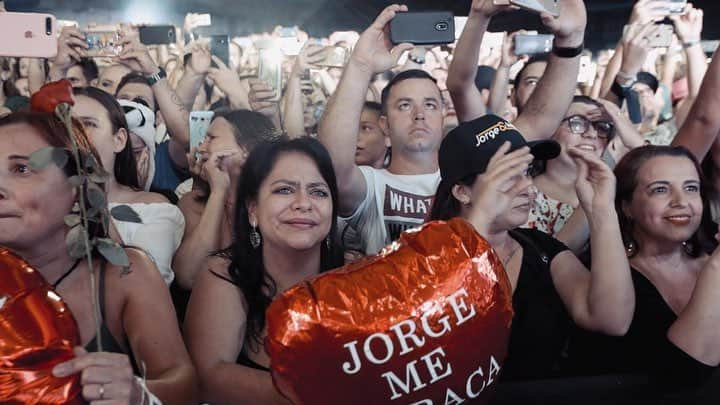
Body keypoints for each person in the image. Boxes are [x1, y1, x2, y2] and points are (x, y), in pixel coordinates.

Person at [319, 2, 586, 256]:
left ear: (444, 113)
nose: (419, 114)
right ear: (384, 125)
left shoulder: (476, 169)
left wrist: (570, 41)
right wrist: (361, 66)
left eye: (431, 104)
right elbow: (332, 166)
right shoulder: (371, 186)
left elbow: (541, 118)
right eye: (404, 105)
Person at [0, 111, 197, 403]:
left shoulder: (124, 275)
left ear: (76, 187)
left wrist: (136, 393)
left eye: (22, 169)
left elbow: (184, 384)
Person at [429, 114, 634, 380]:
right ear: (462, 192)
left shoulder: (541, 249)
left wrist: (601, 210)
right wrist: (479, 224)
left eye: (526, 172)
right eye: (508, 175)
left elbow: (611, 320)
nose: (527, 186)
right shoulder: (424, 255)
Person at [184, 137, 343, 403]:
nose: (304, 203)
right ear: (253, 210)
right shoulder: (226, 273)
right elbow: (207, 378)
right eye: (284, 190)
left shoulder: (357, 274)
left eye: (318, 192)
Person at [572, 145, 720, 391]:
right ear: (627, 206)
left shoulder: (710, 247)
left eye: (691, 188)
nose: (681, 202)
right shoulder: (609, 279)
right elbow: (681, 379)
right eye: (660, 189)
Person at [73, 87, 184, 285]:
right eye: (64, 124)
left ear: (119, 140)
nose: (75, 134)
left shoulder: (153, 209)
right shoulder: (37, 203)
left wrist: (92, 192)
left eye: (88, 124)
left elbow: (148, 288)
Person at [174, 109, 278, 289]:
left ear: (247, 149)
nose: (201, 147)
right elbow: (188, 277)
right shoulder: (192, 203)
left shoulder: (275, 205)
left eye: (211, 138)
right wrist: (218, 192)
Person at [524, 96, 644, 253]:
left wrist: (636, 144)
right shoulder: (523, 194)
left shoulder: (620, 193)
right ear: (550, 131)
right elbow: (545, 262)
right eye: (577, 123)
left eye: (601, 127)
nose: (592, 134)